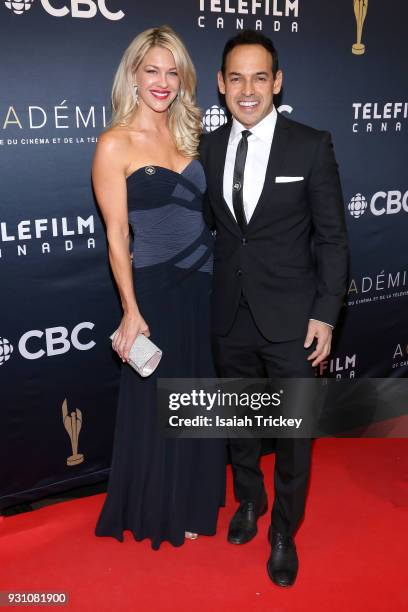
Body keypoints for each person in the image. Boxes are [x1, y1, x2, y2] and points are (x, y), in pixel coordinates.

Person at [200, 30, 348, 586]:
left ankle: (284, 529)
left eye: (259, 77)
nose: (247, 90)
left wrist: (326, 313)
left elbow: (332, 239)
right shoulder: (208, 148)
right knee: (240, 421)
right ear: (220, 84)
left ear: (277, 82)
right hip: (230, 313)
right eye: (235, 77)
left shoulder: (311, 144)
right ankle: (249, 501)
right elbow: (218, 233)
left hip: (293, 321)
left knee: (291, 435)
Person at [92, 25, 225, 550]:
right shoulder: (113, 143)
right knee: (159, 401)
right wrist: (130, 309)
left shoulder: (189, 137)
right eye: (152, 70)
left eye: (173, 72)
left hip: (204, 284)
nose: (163, 82)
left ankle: (192, 498)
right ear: (134, 74)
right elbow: (117, 235)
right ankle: (161, 505)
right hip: (155, 289)